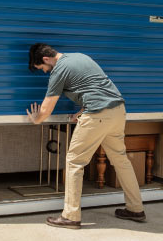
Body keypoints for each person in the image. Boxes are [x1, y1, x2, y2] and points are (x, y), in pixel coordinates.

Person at [26, 43, 146, 229]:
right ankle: (135, 209)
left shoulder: (59, 70)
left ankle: (71, 216)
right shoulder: (80, 57)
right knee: (121, 161)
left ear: (46, 59)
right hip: (118, 111)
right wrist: (81, 111)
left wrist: (36, 119)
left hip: (97, 115)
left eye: (42, 68)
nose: (44, 72)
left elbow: (47, 107)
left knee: (74, 162)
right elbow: (96, 87)